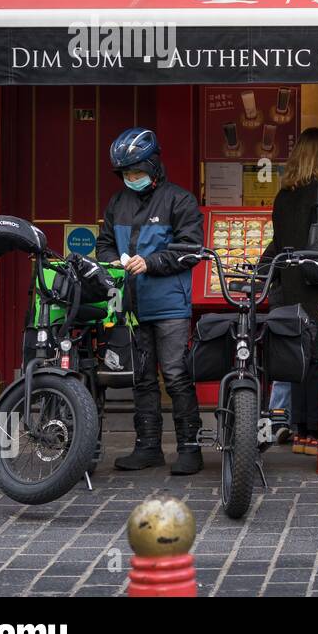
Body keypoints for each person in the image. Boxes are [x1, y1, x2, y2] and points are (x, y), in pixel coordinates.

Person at [97, 127, 205, 476]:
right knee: (142, 378)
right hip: (131, 304)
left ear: (154, 166)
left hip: (170, 303)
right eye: (127, 174)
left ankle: (190, 448)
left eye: (138, 172)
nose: (132, 179)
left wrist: (152, 262)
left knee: (175, 375)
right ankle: (147, 447)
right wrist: (113, 259)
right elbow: (103, 244)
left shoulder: (181, 200)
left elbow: (191, 250)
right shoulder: (117, 202)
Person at [260, 127, 318, 456]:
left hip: (291, 287)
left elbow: (278, 240)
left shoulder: (283, 195)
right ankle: (316, 433)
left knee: (298, 359)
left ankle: (301, 434)